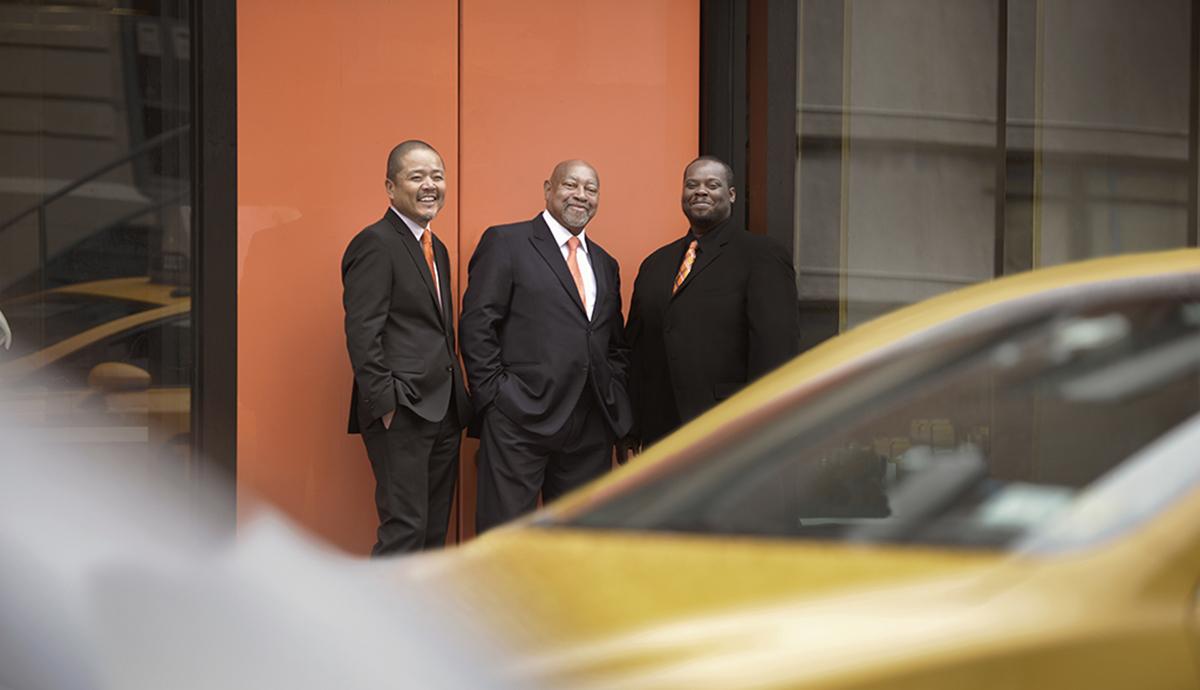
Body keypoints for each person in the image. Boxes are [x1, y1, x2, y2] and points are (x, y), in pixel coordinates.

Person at [460, 159, 632, 533]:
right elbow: (477, 325)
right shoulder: (506, 242)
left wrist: (613, 403)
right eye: (571, 185)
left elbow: (612, 343)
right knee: (504, 536)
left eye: (591, 189)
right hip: (519, 419)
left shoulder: (605, 263)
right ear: (548, 189)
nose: (581, 196)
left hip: (589, 427)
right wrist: (495, 398)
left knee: (579, 540)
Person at [341, 140, 471, 556]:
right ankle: (377, 622)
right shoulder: (375, 243)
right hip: (403, 412)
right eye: (417, 177)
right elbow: (363, 331)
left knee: (433, 533)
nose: (430, 185)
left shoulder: (438, 249)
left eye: (437, 175)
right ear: (390, 187)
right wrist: (387, 405)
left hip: (444, 409)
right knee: (404, 529)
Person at [623, 155, 799, 454]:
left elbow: (775, 350)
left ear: (731, 195)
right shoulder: (655, 264)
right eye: (692, 184)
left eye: (712, 185)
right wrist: (632, 429)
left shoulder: (761, 256)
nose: (700, 191)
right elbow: (637, 354)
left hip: (730, 431)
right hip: (661, 434)